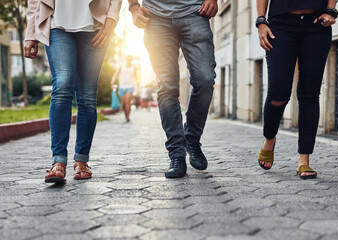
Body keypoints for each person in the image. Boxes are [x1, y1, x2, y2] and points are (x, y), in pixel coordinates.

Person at [24, 0, 122, 183]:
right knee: (62, 85)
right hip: (56, 22)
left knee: (87, 95)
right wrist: (31, 33)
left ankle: (81, 161)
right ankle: (58, 161)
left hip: (95, 24)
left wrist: (112, 20)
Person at [128, 0, 217, 178]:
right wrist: (133, 7)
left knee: (205, 79)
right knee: (167, 87)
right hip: (155, 17)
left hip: (195, 12)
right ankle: (176, 154)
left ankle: (191, 138)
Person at [256, 0, 338, 179]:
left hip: (317, 25)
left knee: (309, 94)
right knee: (278, 94)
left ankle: (304, 160)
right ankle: (269, 138)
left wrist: (331, 9)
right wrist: (261, 21)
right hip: (280, 25)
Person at [111, 55, 137, 122]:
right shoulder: (121, 66)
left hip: (130, 86)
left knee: (128, 101)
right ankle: (126, 115)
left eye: (130, 59)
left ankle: (128, 117)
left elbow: (135, 77)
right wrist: (112, 82)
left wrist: (137, 84)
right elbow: (116, 74)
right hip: (122, 87)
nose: (128, 61)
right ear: (126, 60)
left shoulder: (133, 67)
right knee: (123, 103)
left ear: (131, 60)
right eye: (127, 59)